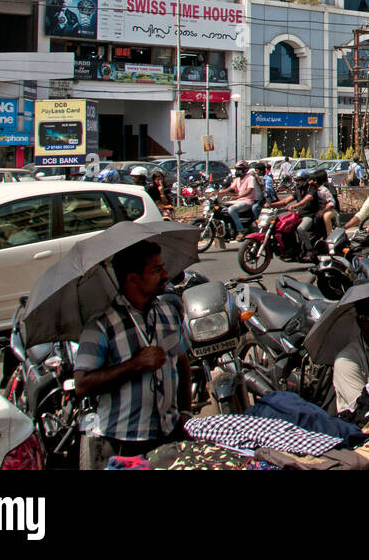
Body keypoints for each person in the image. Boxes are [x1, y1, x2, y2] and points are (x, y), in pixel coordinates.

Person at [74, 241, 192, 461]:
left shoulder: (167, 312)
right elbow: (82, 385)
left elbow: (182, 362)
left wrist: (185, 412)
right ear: (133, 279)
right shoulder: (101, 324)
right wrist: (135, 364)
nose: (165, 275)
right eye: (156, 270)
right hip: (123, 441)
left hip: (169, 433)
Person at [216, 161, 260, 245]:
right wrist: (217, 193)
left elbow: (249, 190)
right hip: (239, 201)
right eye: (237, 170)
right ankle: (228, 229)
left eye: (239, 170)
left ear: (245, 170)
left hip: (247, 201)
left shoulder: (250, 178)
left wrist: (238, 197)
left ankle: (241, 231)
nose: (237, 172)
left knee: (231, 209)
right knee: (223, 209)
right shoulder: (237, 179)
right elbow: (230, 189)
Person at [291, 170, 325, 257]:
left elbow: (308, 198)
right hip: (299, 215)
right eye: (296, 180)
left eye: (299, 180)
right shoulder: (298, 190)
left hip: (309, 215)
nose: (297, 183)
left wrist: (296, 205)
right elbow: (286, 201)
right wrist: (271, 204)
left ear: (305, 180)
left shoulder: (311, 188)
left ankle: (310, 249)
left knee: (301, 229)